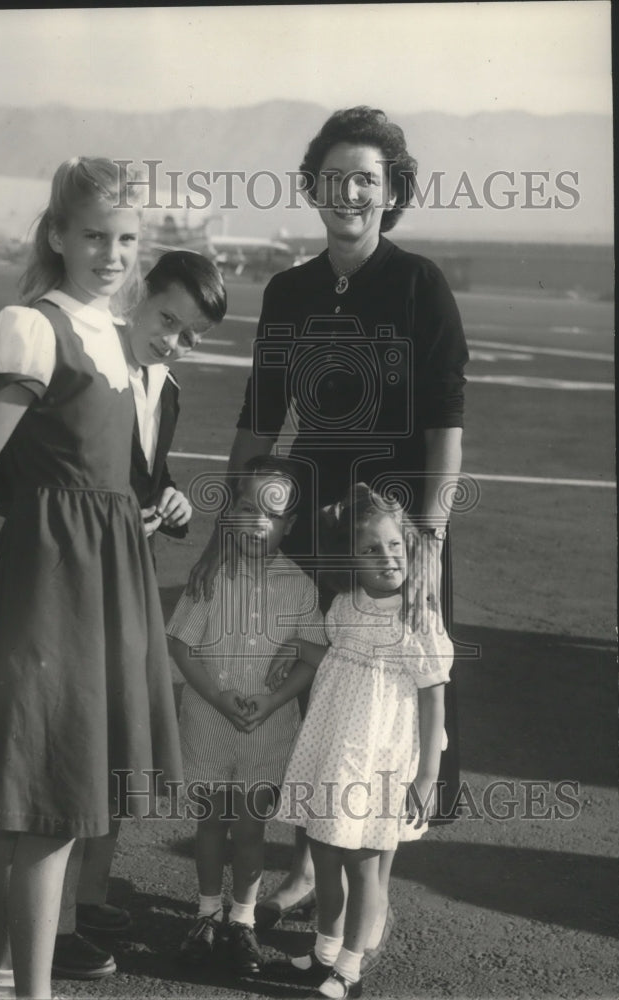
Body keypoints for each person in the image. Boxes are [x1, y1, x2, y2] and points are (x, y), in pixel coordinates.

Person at [187, 105, 468, 961]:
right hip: (312, 513)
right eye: (334, 176)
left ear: (390, 196)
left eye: (367, 179)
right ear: (311, 186)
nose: (348, 192)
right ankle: (309, 867)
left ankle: (362, 888)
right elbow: (260, 414)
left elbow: (446, 428)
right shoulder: (290, 290)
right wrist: (224, 521)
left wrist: (426, 538)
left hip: (393, 527)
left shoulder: (419, 284)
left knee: (382, 696)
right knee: (312, 689)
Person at [0, 156, 182, 1000]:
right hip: (48, 590)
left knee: (32, 807)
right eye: (93, 236)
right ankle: (31, 993)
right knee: (47, 810)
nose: (112, 254)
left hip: (104, 587)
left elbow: (104, 478)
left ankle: (7, 976)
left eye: (126, 238)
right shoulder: (36, 327)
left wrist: (133, 513)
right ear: (57, 235)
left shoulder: (118, 338)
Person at [53, 251, 228, 976]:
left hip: (128, 580)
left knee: (115, 745)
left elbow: (144, 479)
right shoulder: (91, 370)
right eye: (166, 319)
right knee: (70, 753)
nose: (172, 340)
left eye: (190, 334)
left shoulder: (167, 387)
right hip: (74, 585)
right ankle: (52, 927)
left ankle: (86, 899)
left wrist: (175, 502)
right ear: (139, 295)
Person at [276, 484, 454, 999]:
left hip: (381, 760)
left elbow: (433, 697)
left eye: (394, 546)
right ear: (350, 558)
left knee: (364, 866)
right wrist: (281, 655)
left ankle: (350, 968)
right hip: (333, 751)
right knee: (325, 855)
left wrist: (426, 777)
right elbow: (323, 659)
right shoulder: (345, 606)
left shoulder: (418, 617)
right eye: (372, 549)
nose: (387, 558)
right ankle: (326, 949)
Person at [167, 457, 328, 976]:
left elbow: (311, 656)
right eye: (245, 507)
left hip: (269, 728)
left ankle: (242, 921)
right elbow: (181, 646)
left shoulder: (301, 586)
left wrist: (273, 703)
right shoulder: (209, 576)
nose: (258, 520)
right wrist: (217, 698)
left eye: (272, 512)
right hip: (209, 720)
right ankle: (206, 914)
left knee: (252, 829)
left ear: (290, 525)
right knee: (210, 822)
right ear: (228, 517)